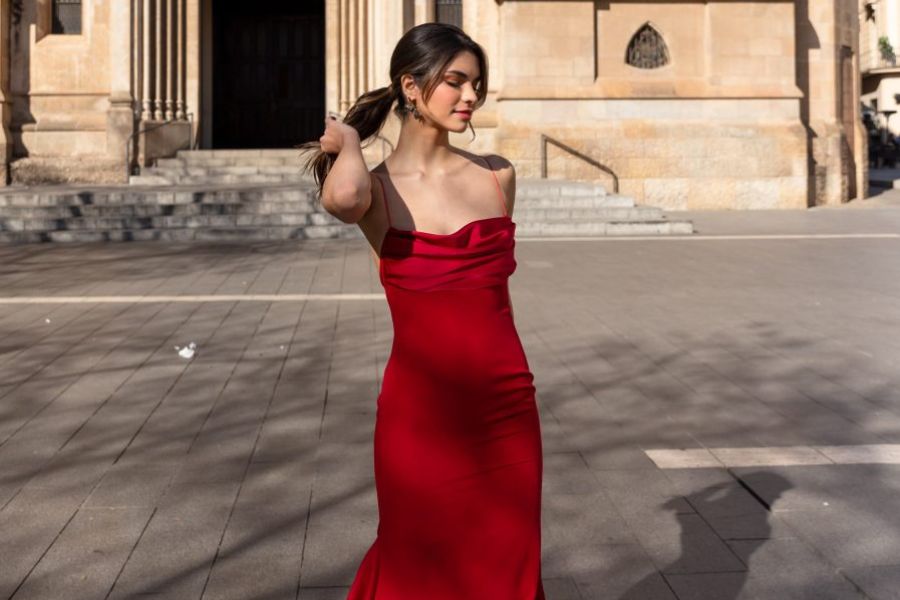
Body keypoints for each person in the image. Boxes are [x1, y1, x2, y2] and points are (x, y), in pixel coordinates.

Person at [299, 22, 545, 599]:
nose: (470, 97)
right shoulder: (376, 192)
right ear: (410, 87)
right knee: (418, 566)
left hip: (506, 406)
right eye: (454, 82)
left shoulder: (497, 175)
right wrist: (355, 145)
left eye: (476, 85)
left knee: (506, 566)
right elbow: (341, 199)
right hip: (420, 415)